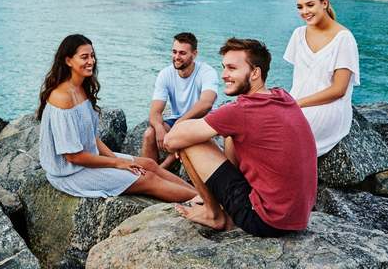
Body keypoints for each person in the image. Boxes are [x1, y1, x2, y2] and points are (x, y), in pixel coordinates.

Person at [164, 38, 317, 237]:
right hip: (296, 217)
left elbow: (170, 141)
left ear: (255, 73)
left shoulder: (243, 111)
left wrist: (184, 143)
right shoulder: (281, 96)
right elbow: (233, 156)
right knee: (207, 134)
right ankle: (218, 203)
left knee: (188, 143)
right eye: (224, 67)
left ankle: (213, 214)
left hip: (265, 220)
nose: (223, 75)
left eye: (232, 68)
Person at [37, 34, 197, 202]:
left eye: (92, 56)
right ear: (68, 61)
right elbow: (72, 157)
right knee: (149, 178)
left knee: (149, 164)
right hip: (71, 173)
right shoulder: (61, 96)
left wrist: (118, 160)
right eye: (84, 57)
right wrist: (116, 163)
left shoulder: (81, 89)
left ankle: (206, 198)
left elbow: (91, 138)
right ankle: (208, 204)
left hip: (88, 161)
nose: (91, 61)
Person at [284, 0, 360, 157]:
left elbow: (339, 90)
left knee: (280, 137)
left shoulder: (343, 38)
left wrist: (296, 104)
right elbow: (302, 80)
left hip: (328, 108)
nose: (305, 11)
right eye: (300, 7)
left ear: (324, 3)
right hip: (295, 104)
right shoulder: (298, 34)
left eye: (310, 5)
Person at [142, 33, 219, 170]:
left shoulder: (207, 72)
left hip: (201, 120)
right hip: (177, 120)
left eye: (182, 53)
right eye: (174, 52)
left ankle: (159, 171)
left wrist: (180, 123)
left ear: (194, 54)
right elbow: (154, 112)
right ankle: (146, 173)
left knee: (182, 135)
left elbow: (207, 103)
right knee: (149, 134)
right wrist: (159, 128)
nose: (177, 57)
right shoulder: (165, 74)